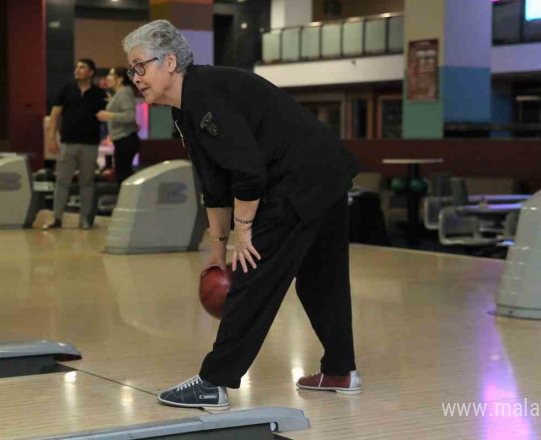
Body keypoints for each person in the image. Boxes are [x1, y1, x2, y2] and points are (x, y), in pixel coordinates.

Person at [123, 20, 362, 410]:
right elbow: (214, 183)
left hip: (299, 180)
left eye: (139, 67)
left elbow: (248, 171)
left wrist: (244, 231)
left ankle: (214, 382)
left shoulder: (205, 96)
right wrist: (218, 248)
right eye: (130, 70)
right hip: (324, 175)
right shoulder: (187, 108)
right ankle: (340, 371)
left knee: (252, 277)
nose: (135, 77)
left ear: (169, 62)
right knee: (321, 280)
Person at [44, 58, 105, 230]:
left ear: (91, 72)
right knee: (62, 182)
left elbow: (106, 115)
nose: (77, 70)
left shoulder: (99, 94)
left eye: (82, 67)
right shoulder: (66, 90)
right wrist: (51, 138)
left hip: (90, 145)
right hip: (67, 143)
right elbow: (55, 114)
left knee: (87, 183)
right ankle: (56, 218)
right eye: (77, 67)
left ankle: (85, 220)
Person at [97, 67, 140, 182]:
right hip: (123, 139)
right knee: (123, 173)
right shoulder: (120, 93)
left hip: (126, 139)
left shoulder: (124, 93)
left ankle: (126, 199)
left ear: (120, 79)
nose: (107, 78)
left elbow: (130, 116)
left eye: (111, 75)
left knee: (123, 175)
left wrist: (108, 115)